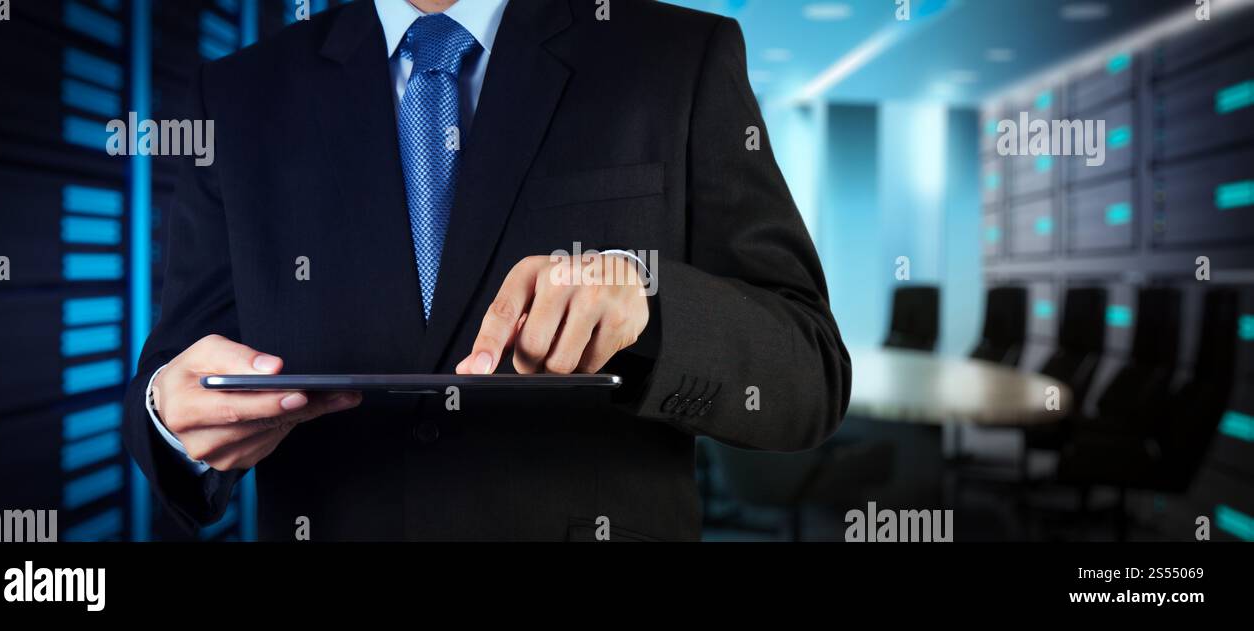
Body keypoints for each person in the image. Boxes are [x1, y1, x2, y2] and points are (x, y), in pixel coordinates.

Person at [122, 0, 850, 541]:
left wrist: (649, 305)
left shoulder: (677, 56)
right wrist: (172, 420)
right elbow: (174, 373)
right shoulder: (241, 95)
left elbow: (809, 372)